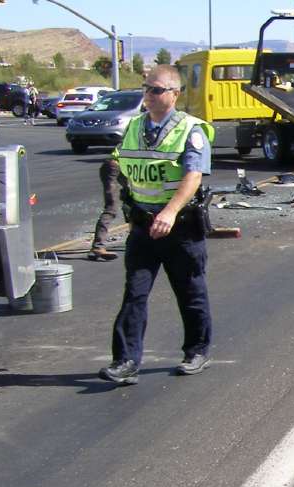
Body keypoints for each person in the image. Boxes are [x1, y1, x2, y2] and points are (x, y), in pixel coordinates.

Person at [99, 65, 215, 385]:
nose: (147, 94)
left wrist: (170, 211)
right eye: (146, 88)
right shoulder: (135, 126)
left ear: (174, 94)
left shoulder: (190, 130)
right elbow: (123, 164)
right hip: (143, 227)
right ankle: (126, 361)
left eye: (156, 89)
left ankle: (197, 351)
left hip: (180, 227)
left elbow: (193, 176)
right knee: (134, 293)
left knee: (190, 291)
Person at [88, 158, 121, 261]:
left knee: (131, 200)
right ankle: (98, 246)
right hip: (114, 167)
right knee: (111, 208)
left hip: (117, 166)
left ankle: (135, 238)